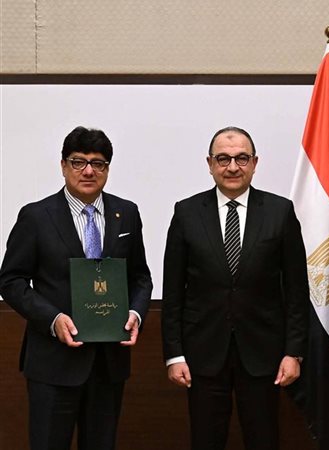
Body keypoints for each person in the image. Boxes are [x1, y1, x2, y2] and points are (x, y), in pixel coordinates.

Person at [0, 126, 153, 450]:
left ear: (107, 169)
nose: (88, 171)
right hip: (53, 363)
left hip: (108, 363)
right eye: (78, 161)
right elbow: (11, 281)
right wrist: (53, 319)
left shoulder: (126, 213)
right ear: (63, 165)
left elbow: (140, 276)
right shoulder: (37, 216)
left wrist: (136, 314)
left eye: (98, 163)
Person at [161, 126, 309, 450]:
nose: (232, 167)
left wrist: (293, 352)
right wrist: (174, 354)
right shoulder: (186, 213)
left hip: (264, 354)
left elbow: (297, 291)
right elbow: (173, 293)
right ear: (210, 163)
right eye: (223, 159)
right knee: (205, 440)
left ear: (255, 163)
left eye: (241, 158)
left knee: (264, 439)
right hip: (202, 354)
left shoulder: (280, 212)